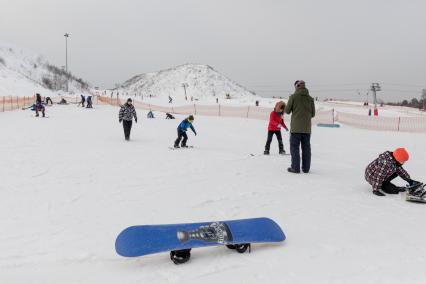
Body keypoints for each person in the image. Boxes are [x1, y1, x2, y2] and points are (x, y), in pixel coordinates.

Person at [285, 80, 315, 173]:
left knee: (294, 148)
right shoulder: (310, 99)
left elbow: (287, 111)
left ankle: (295, 167)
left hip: (295, 129)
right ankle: (306, 168)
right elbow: (313, 114)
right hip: (307, 129)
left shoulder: (293, 97)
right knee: (306, 148)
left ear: (297, 86)